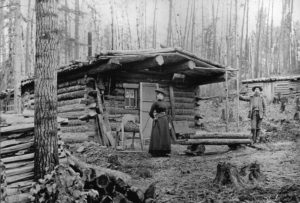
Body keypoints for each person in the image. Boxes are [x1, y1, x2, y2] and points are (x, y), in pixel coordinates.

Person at [148, 88, 171, 157]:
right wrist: (154, 117)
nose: (159, 96)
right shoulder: (155, 103)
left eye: (161, 95)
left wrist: (169, 123)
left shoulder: (166, 104)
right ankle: (156, 152)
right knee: (157, 135)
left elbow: (168, 114)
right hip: (158, 121)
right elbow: (150, 113)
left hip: (165, 121)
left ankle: (164, 152)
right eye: (158, 94)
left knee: (164, 135)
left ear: (163, 96)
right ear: (157, 96)